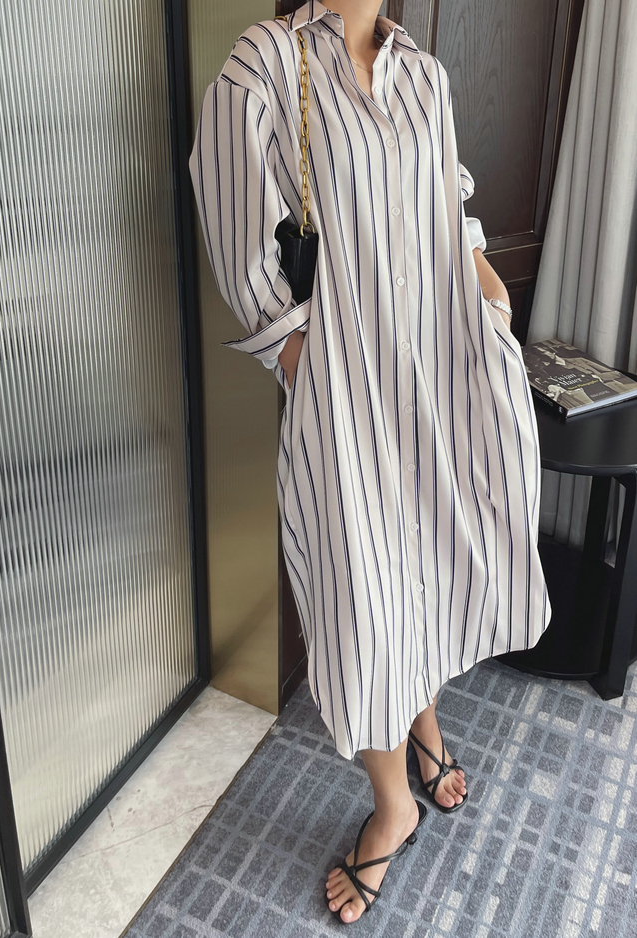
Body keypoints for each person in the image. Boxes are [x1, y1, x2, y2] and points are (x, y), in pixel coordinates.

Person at [189, 0, 552, 924]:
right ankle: (394, 805)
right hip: (345, 384)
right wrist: (294, 355)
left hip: (438, 362)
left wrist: (491, 293)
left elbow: (444, 204)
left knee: (419, 560)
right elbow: (231, 216)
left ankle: (422, 725)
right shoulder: (268, 62)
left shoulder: (423, 74)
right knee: (361, 591)